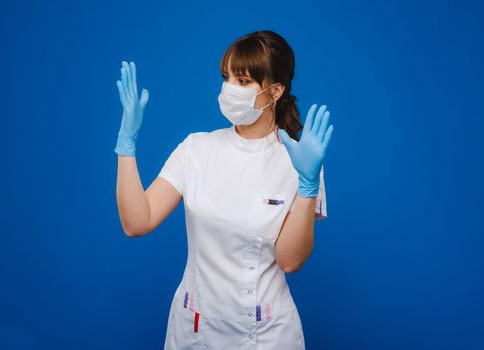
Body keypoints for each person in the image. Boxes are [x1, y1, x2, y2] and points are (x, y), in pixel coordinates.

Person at [114, 30, 334, 350]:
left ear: (276, 91)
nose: (230, 89)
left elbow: (290, 261)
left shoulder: (300, 162)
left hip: (265, 335)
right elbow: (137, 222)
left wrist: (308, 185)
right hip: (193, 328)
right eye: (226, 77)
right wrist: (126, 143)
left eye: (243, 82)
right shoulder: (197, 148)